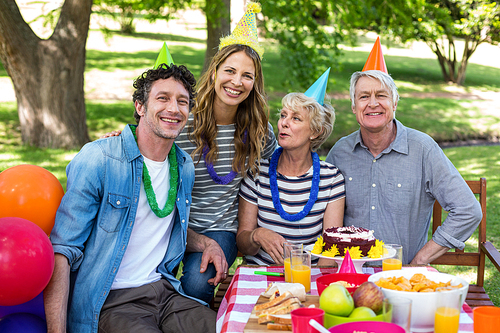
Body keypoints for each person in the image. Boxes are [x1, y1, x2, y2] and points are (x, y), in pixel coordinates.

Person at [101, 2, 277, 304]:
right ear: (215, 72)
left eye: (247, 76)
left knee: (197, 282)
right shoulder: (183, 117)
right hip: (167, 220)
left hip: (220, 227)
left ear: (255, 83)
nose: (237, 82)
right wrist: (123, 136)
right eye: (230, 71)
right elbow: (149, 135)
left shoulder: (260, 131)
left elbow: (280, 167)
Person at [44, 64, 216, 333]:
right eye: (163, 98)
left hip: (165, 291)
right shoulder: (100, 159)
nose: (174, 108)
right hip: (112, 300)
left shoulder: (183, 166)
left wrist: (207, 243)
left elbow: (160, 223)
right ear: (140, 107)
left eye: (182, 102)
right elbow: (62, 251)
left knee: (229, 326)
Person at [325, 38, 482, 265]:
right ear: (353, 106)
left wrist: (419, 261)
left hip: (401, 279)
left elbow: (468, 210)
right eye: (363, 96)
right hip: (348, 276)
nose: (372, 103)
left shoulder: (423, 149)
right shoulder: (340, 152)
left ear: (395, 102)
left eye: (381, 95)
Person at [237, 69, 346, 266]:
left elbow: (329, 255)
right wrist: (257, 235)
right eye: (283, 115)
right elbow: (244, 245)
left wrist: (310, 288)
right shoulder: (257, 173)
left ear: (315, 131)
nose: (284, 123)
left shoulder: (331, 179)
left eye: (296, 118)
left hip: (307, 279)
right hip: (260, 277)